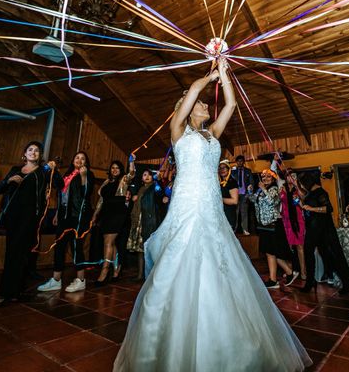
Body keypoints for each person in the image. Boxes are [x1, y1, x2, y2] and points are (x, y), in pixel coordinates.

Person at [113, 57, 311, 371]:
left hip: (211, 205)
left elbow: (231, 102)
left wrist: (226, 74)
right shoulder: (179, 132)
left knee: (219, 260)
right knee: (185, 257)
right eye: (201, 104)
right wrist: (211, 71)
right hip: (188, 203)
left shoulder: (214, 134)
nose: (206, 105)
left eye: (206, 103)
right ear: (188, 110)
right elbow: (193, 88)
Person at [0, 141, 60, 307]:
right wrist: (8, 182)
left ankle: (7, 293)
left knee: (21, 253)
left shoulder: (42, 172)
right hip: (12, 217)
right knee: (12, 253)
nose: (33, 152)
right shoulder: (16, 170)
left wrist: (53, 169)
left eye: (37, 151)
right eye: (30, 149)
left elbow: (59, 184)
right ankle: (11, 292)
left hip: (30, 218)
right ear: (25, 153)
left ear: (40, 155)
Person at [37, 151, 95, 293]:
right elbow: (60, 192)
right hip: (64, 215)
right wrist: (57, 213)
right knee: (59, 246)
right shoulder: (67, 175)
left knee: (77, 247)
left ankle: (81, 280)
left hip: (78, 217)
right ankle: (56, 280)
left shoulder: (88, 175)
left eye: (83, 158)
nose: (79, 160)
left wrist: (83, 176)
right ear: (73, 160)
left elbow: (85, 193)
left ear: (86, 163)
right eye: (77, 157)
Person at [299, 171, 349, 295]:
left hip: (324, 229)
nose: (302, 186)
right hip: (313, 229)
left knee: (333, 255)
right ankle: (310, 281)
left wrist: (311, 208)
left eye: (302, 184)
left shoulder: (321, 192)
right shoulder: (311, 193)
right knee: (309, 253)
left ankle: (347, 280)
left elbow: (329, 208)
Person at [248, 169, 296, 289]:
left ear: (273, 178)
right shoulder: (260, 189)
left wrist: (263, 189)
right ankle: (276, 278)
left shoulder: (275, 189)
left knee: (273, 252)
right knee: (270, 252)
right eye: (263, 177)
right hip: (263, 225)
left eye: (268, 177)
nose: (265, 179)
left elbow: (272, 202)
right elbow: (253, 200)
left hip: (273, 224)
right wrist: (250, 191)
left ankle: (287, 273)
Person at [95, 158, 136, 286]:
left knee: (108, 242)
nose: (114, 170)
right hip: (106, 214)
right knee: (110, 243)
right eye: (113, 168)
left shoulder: (123, 180)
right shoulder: (106, 182)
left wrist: (131, 162)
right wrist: (94, 215)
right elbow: (101, 201)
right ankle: (116, 270)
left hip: (118, 213)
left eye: (117, 168)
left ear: (120, 170)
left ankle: (104, 271)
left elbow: (131, 174)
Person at [127, 169, 164, 280]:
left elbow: (159, 194)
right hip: (139, 221)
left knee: (150, 249)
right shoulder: (140, 189)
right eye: (144, 174)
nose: (147, 176)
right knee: (140, 250)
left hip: (149, 221)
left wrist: (159, 182)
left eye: (149, 175)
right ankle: (140, 274)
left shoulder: (154, 187)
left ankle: (152, 275)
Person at [280, 171, 306, 286]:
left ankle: (303, 271)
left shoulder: (299, 188)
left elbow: (304, 198)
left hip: (298, 220)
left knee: (300, 246)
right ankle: (291, 269)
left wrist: (296, 185)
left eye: (294, 176)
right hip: (286, 220)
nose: (291, 178)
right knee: (288, 246)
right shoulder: (283, 188)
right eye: (289, 176)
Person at [231, 154, 254, 234]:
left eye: (241, 161)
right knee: (235, 213)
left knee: (244, 213)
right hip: (235, 195)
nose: (240, 162)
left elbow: (251, 182)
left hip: (244, 195)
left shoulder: (248, 171)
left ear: (243, 162)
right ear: (236, 162)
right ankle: (234, 229)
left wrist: (249, 192)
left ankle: (245, 230)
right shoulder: (233, 171)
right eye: (238, 161)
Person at [219, 160, 239, 228]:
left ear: (228, 169)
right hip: (220, 215)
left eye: (224, 167)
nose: (222, 170)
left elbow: (234, 201)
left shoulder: (232, 182)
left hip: (229, 215)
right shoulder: (219, 182)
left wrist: (219, 199)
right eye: (220, 168)